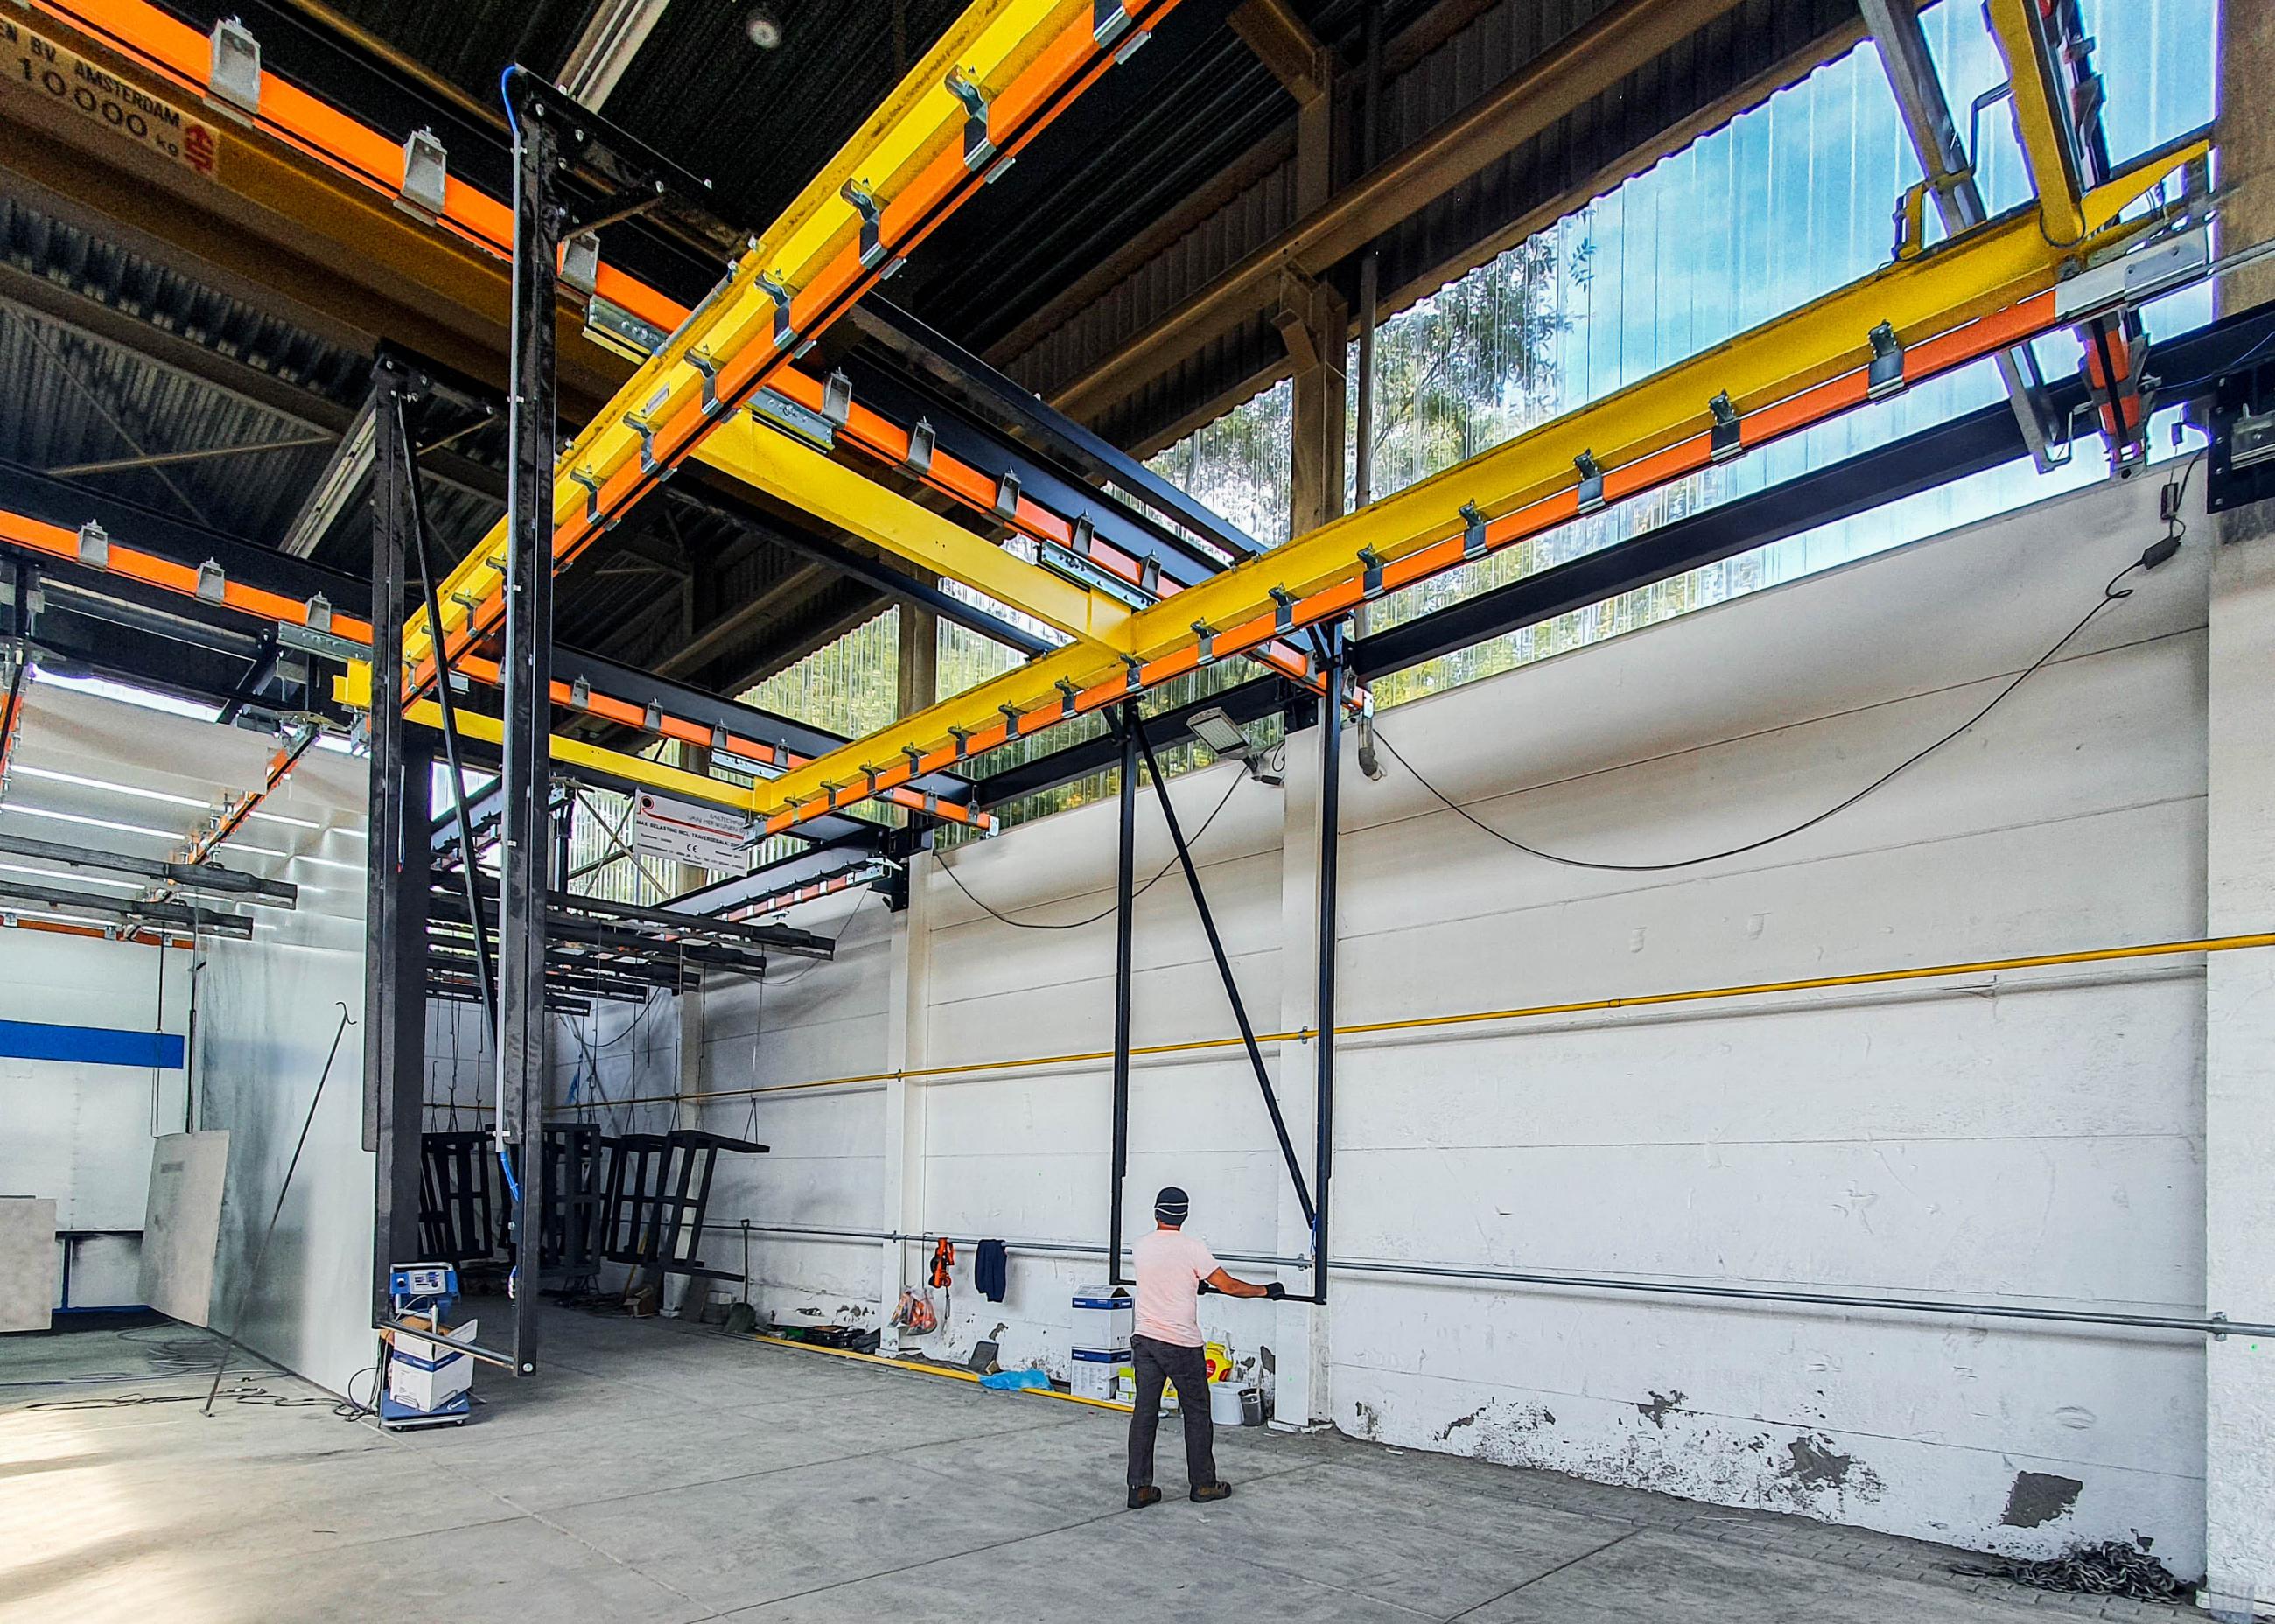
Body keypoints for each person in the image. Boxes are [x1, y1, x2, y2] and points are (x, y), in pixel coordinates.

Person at [1125, 1185, 1284, 1508]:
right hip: (1181, 1344)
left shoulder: (1140, 1246)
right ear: (1184, 1216)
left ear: (1156, 1213)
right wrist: (1267, 1290)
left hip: (1145, 1341)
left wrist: (1191, 1282)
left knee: (1144, 1413)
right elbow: (1230, 1286)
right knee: (1197, 1413)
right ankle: (1203, 1484)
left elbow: (1164, 1276)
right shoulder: (1193, 1248)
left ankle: (1139, 1488)